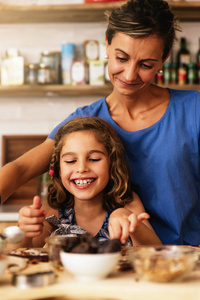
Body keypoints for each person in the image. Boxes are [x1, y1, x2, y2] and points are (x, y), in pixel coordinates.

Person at [0, 0, 200, 245]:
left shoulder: (193, 110)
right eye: (121, 58)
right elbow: (19, 169)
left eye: (146, 65)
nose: (129, 75)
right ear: (107, 45)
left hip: (188, 262)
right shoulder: (84, 123)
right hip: (124, 265)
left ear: (164, 59)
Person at [16, 117, 161, 248]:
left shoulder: (127, 202)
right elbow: (26, 251)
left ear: (112, 166)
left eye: (94, 159)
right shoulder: (55, 207)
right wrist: (25, 233)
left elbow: (155, 251)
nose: (81, 168)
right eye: (70, 161)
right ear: (59, 170)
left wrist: (131, 223)